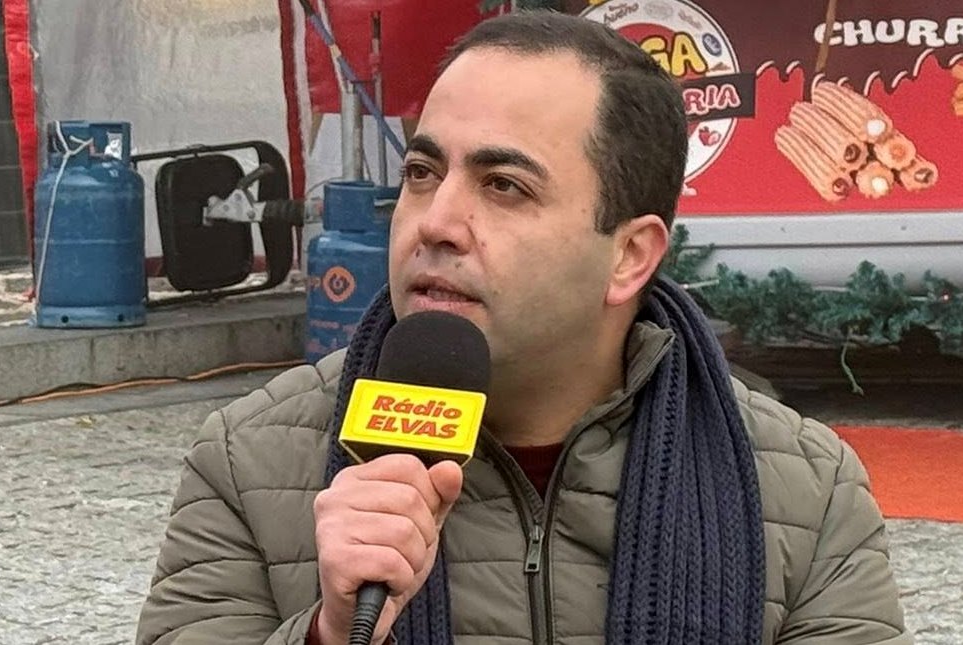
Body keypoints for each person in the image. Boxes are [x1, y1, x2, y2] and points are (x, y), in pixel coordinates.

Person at [135, 11, 911, 645]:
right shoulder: (247, 462)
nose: (436, 222)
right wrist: (330, 633)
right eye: (422, 173)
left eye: (503, 186)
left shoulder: (805, 492)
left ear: (629, 255)